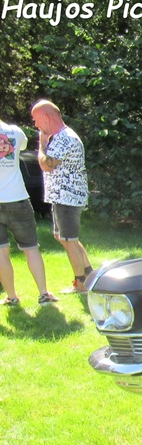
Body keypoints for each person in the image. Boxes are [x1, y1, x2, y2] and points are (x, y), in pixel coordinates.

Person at [30, 99, 93, 294]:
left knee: (69, 239)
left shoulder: (65, 138)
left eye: (36, 120)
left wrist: (41, 146)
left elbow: (46, 164)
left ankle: (81, 283)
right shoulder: (60, 137)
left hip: (68, 198)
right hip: (62, 197)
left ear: (46, 118)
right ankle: (89, 273)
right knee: (62, 237)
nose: (35, 125)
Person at [0, 117, 58, 306]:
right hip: (17, 198)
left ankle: (12, 297)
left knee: (1, 252)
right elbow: (23, 147)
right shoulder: (15, 132)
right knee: (31, 248)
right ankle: (43, 294)